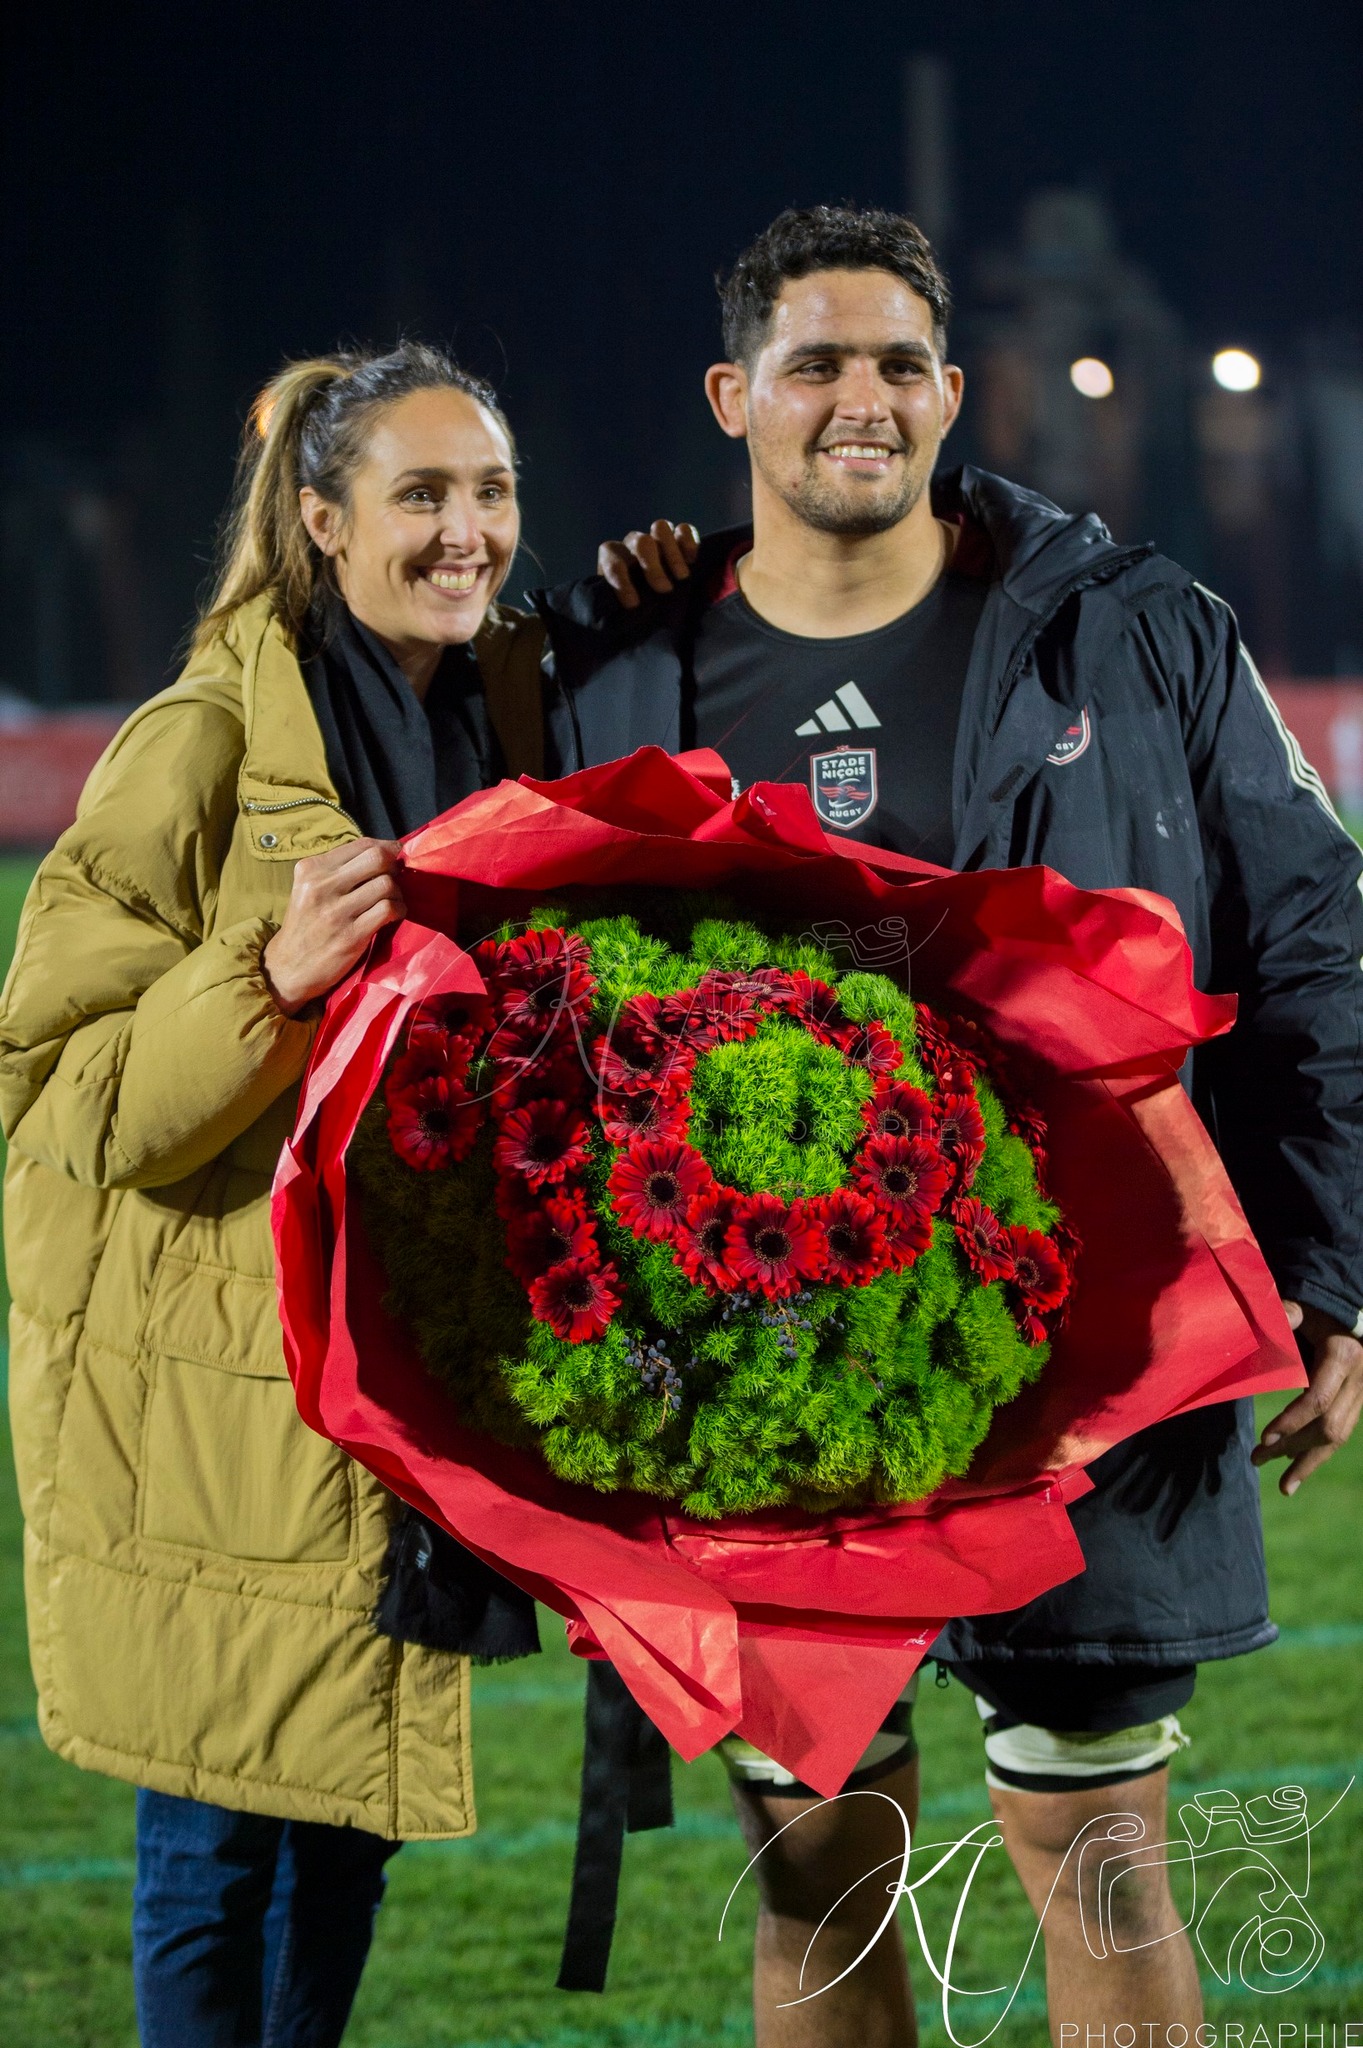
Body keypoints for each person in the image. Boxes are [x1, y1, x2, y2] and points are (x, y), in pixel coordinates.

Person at [535, 206, 1363, 2047]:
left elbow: (1318, 946)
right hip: (753, 1354)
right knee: (817, 1862)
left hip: (1088, 1325)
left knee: (1100, 1847)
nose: (862, 402)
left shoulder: (1135, 634)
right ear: (732, 393)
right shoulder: (614, 668)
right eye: (816, 364)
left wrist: (1337, 1278)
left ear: (953, 391)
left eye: (899, 364)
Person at [0, 341, 554, 2047]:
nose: (470, 533)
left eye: (492, 492)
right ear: (320, 519)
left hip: (400, 1377)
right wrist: (267, 973)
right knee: (217, 1836)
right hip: (223, 1390)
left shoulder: (507, 711)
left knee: (348, 1832)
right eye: (424, 495)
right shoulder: (200, 740)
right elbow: (59, 1093)